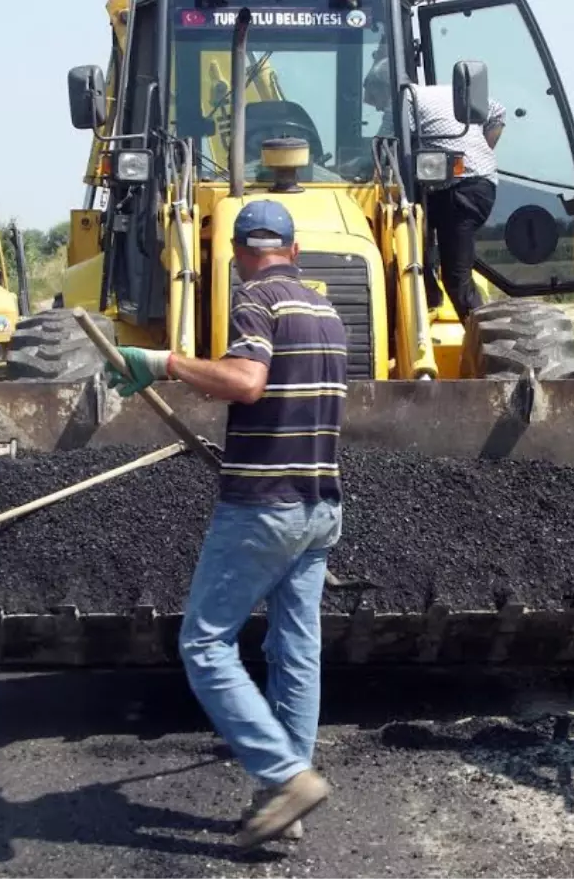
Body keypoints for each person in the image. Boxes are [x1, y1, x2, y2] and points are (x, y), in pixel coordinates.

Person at [104, 199, 347, 847]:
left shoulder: (255, 299)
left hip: (264, 509)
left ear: (239, 253)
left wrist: (167, 363)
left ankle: (285, 775)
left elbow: (246, 381)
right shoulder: (326, 313)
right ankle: (283, 796)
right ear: (294, 251)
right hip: (322, 507)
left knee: (205, 645)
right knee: (295, 649)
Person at [362, 60, 505, 323]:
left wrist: (349, 169)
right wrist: (481, 151)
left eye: (378, 101)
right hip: (479, 184)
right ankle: (430, 295)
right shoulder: (445, 92)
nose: (381, 109)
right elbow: (497, 113)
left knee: (456, 277)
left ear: (385, 89)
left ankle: (483, 333)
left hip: (460, 192)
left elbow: (381, 152)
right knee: (421, 234)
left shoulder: (402, 103)